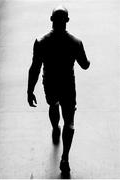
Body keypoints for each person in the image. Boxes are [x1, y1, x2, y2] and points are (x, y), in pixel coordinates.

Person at [27, 6, 90, 174]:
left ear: (51, 19)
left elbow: (34, 68)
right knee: (69, 121)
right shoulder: (75, 42)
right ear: (67, 21)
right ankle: (65, 158)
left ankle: (55, 128)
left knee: (53, 104)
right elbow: (85, 65)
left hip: (50, 83)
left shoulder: (41, 42)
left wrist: (29, 90)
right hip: (68, 85)